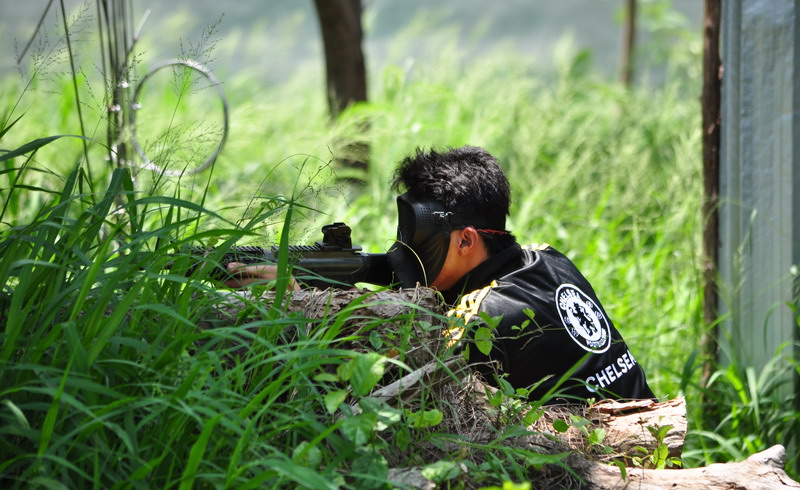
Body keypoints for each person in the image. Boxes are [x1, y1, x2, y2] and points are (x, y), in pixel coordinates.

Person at [227, 146, 656, 403]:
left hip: (614, 474)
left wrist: (304, 306)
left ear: (466, 240)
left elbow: (393, 392)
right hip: (653, 448)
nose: (405, 247)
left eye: (420, 235)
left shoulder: (481, 318)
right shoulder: (549, 259)